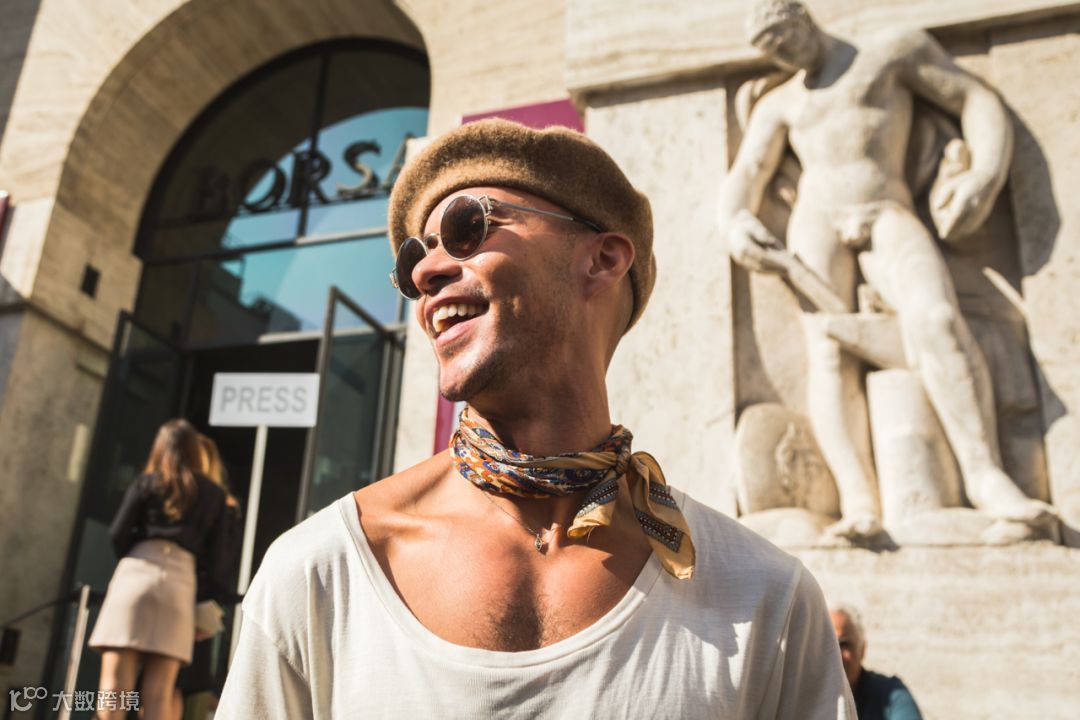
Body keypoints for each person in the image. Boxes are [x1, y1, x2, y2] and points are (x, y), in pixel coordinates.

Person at [216, 118, 854, 718]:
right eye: (414, 260)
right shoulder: (322, 571)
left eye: (468, 226)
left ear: (603, 260)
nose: (428, 271)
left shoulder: (764, 597)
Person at [717, 0, 1055, 539]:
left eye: (784, 40)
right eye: (772, 53)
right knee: (828, 351)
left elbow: (974, 98)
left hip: (885, 209)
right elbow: (746, 176)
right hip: (817, 224)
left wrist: (984, 175)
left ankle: (986, 477)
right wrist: (736, 226)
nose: (784, 56)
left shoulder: (889, 53)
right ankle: (859, 501)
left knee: (938, 319)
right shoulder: (782, 103)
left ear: (801, 18)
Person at [88, 419, 236, 720]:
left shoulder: (146, 482)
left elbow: (117, 533)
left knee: (114, 687)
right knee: (160, 694)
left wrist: (137, 555)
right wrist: (206, 596)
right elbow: (218, 559)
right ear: (195, 452)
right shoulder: (214, 495)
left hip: (136, 574)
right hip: (179, 583)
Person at [830, 605, 922, 720]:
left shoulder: (890, 695)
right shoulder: (809, 696)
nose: (836, 656)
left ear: (862, 649)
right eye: (828, 646)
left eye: (844, 644)